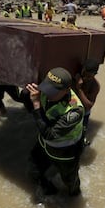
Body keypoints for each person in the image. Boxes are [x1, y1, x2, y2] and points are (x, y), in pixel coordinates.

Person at [26, 67, 84, 196]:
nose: (48, 94)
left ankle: (73, 199)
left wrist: (36, 104)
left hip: (65, 151)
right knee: (33, 169)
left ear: (67, 90)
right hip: (43, 144)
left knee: (70, 181)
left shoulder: (74, 110)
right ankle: (49, 191)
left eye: (53, 91)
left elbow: (50, 135)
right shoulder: (43, 91)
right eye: (47, 89)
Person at [73, 59, 100, 146]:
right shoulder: (76, 76)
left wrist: (79, 89)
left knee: (81, 136)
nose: (85, 78)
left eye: (89, 77)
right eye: (84, 75)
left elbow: (89, 106)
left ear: (95, 75)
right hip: (71, 108)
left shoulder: (95, 86)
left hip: (84, 112)